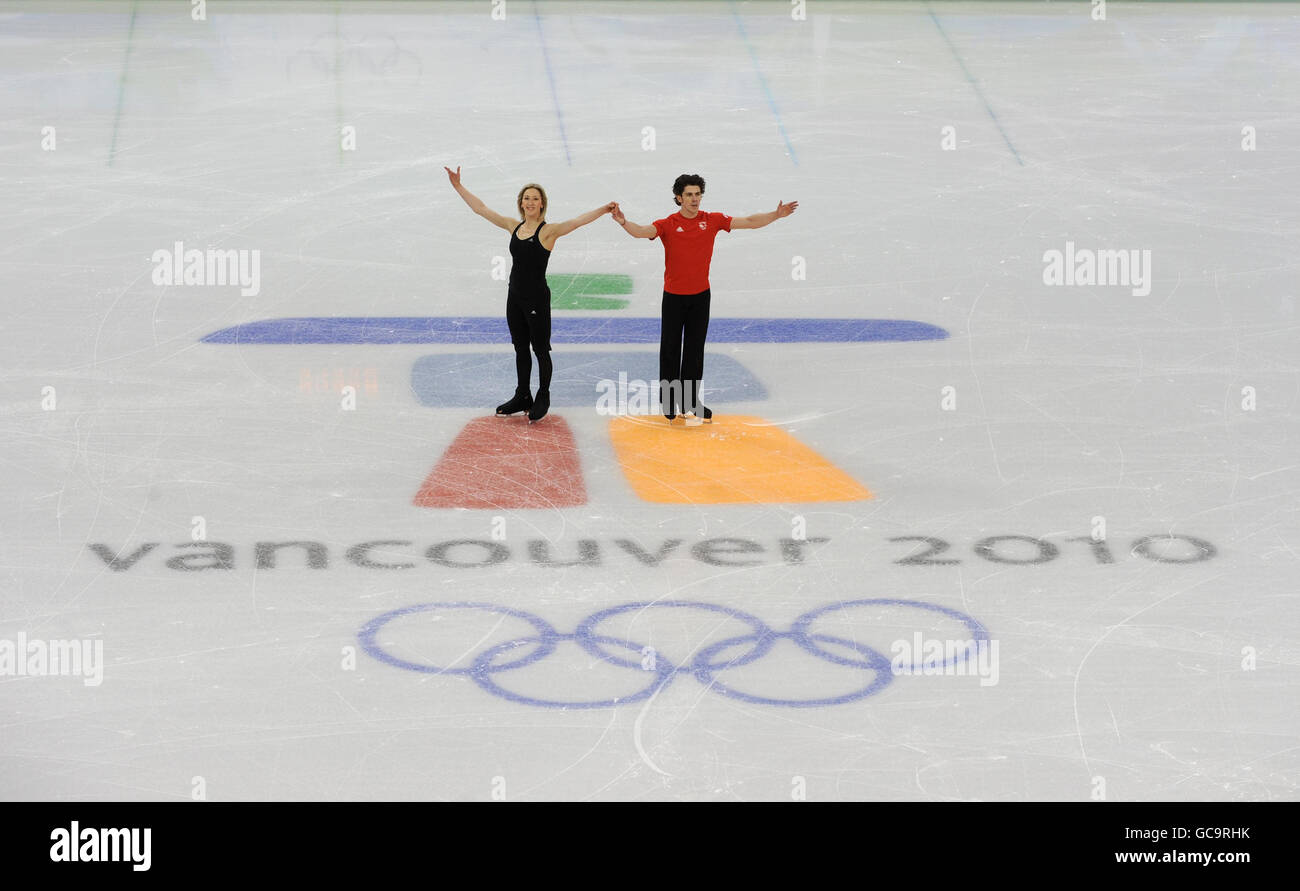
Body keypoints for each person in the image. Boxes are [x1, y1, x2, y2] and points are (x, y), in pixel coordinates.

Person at [611, 174, 797, 425]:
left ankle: (690, 402)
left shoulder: (712, 221)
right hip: (674, 298)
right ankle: (668, 401)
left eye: (697, 194)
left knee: (694, 351)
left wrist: (775, 215)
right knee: (670, 349)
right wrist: (623, 222)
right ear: (679, 197)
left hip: (700, 297)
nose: (694, 199)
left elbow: (751, 222)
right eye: (689, 194)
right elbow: (642, 231)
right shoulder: (668, 224)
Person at [445, 166, 614, 422]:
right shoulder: (513, 226)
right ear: (521, 203)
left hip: (536, 299)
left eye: (535, 198)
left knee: (540, 350)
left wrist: (603, 210)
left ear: (542, 203)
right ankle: (522, 394)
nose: (530, 202)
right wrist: (458, 186)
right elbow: (481, 209)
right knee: (520, 348)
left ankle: (543, 394)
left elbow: (578, 221)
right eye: (527, 198)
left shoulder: (548, 231)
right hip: (514, 298)